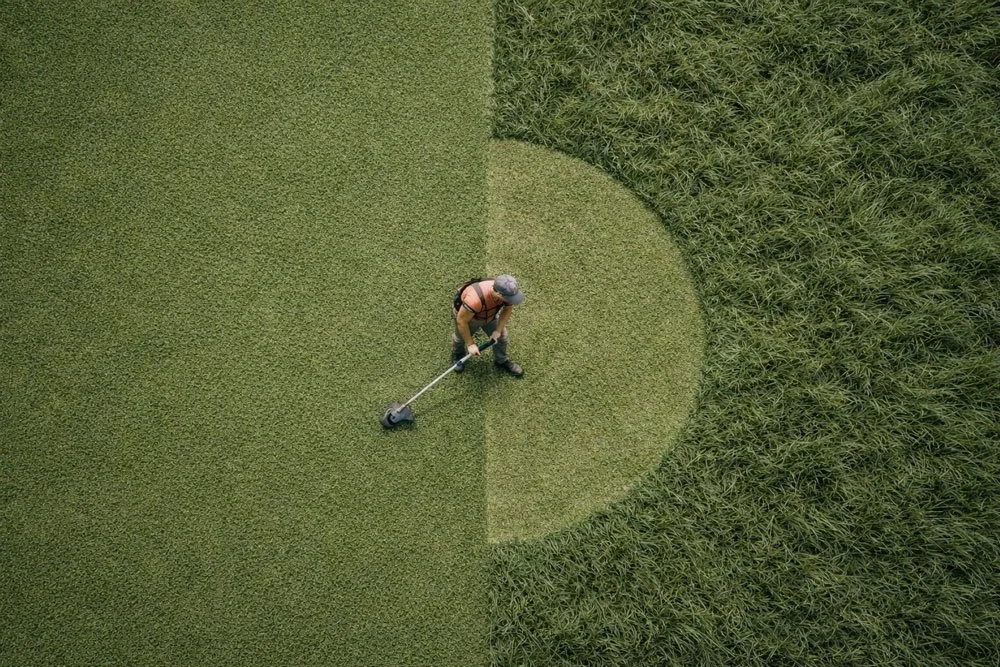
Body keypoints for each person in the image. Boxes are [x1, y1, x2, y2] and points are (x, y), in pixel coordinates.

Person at [452, 274, 524, 377]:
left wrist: (498, 331)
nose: (511, 300)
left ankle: (501, 360)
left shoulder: (507, 294)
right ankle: (458, 355)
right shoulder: (474, 300)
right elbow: (461, 321)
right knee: (460, 338)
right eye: (509, 298)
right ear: (498, 294)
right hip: (470, 318)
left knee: (502, 337)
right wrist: (470, 344)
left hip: (490, 315)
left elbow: (507, 310)